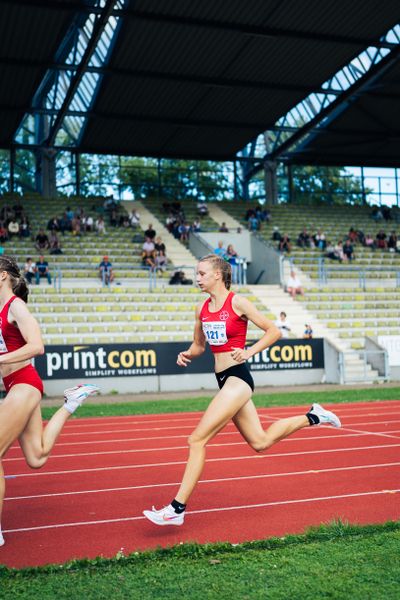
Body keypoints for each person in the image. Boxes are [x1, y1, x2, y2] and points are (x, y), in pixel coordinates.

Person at [143, 254, 341, 526]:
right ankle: (314, 416)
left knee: (196, 440)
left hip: (238, 379)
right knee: (260, 442)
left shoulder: (238, 302)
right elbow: (199, 346)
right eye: (196, 273)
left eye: (201, 273)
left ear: (217, 275)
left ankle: (176, 509)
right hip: (223, 379)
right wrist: (186, 354)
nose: (197, 278)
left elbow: (273, 331)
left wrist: (248, 352)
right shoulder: (201, 309)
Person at [0, 254, 99, 546]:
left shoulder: (15, 305)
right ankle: (71, 402)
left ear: (3, 275)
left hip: (25, 385)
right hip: (13, 385)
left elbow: (37, 346)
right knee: (36, 457)